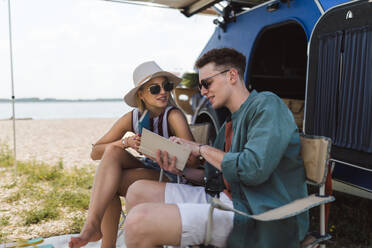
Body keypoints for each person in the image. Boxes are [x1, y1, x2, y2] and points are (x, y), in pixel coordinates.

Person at [123, 48, 309, 247]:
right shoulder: (230, 122)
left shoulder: (267, 105)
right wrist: (181, 170)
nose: (202, 91)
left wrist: (201, 148)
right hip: (226, 199)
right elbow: (213, 179)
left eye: (206, 83)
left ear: (231, 75)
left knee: (138, 222)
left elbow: (253, 169)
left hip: (256, 213)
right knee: (137, 191)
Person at [69, 61, 197, 248]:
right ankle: (93, 225)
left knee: (108, 186)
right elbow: (95, 152)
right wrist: (126, 142)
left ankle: (101, 236)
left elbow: (192, 160)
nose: (163, 92)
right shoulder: (133, 118)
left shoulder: (173, 115)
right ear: (141, 94)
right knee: (113, 151)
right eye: (155, 88)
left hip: (173, 175)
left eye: (166, 86)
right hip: (151, 169)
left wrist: (165, 149)